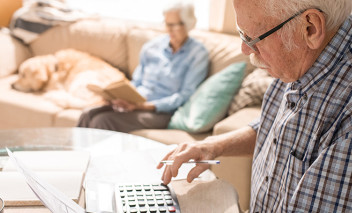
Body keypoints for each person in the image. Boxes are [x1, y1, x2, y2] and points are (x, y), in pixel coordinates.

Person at [158, 0, 352, 212]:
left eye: (253, 37)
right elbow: (278, 128)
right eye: (243, 34)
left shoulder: (347, 123)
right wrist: (213, 146)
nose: (244, 49)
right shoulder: (298, 56)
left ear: (310, 28)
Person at [77, 1, 209, 132]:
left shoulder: (197, 55)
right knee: (87, 114)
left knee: (103, 120)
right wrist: (121, 98)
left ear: (187, 24)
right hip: (135, 103)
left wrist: (145, 106)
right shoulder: (152, 47)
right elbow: (137, 82)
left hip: (161, 112)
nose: (168, 29)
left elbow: (185, 95)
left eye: (173, 25)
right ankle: (76, 153)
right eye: (166, 23)